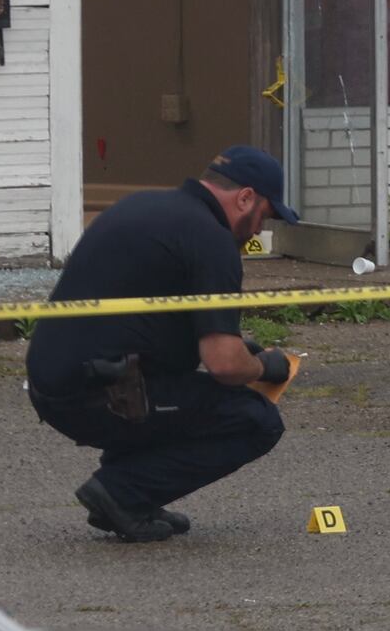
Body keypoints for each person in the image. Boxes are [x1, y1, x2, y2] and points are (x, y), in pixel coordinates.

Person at [25, 145, 299, 542]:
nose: (259, 230)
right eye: (265, 216)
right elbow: (223, 364)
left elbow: (156, 324)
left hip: (56, 383)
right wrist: (263, 367)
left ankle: (135, 495)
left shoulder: (147, 207)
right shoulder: (213, 240)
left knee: (184, 388)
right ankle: (122, 492)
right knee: (255, 420)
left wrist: (241, 346)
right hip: (100, 394)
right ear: (245, 198)